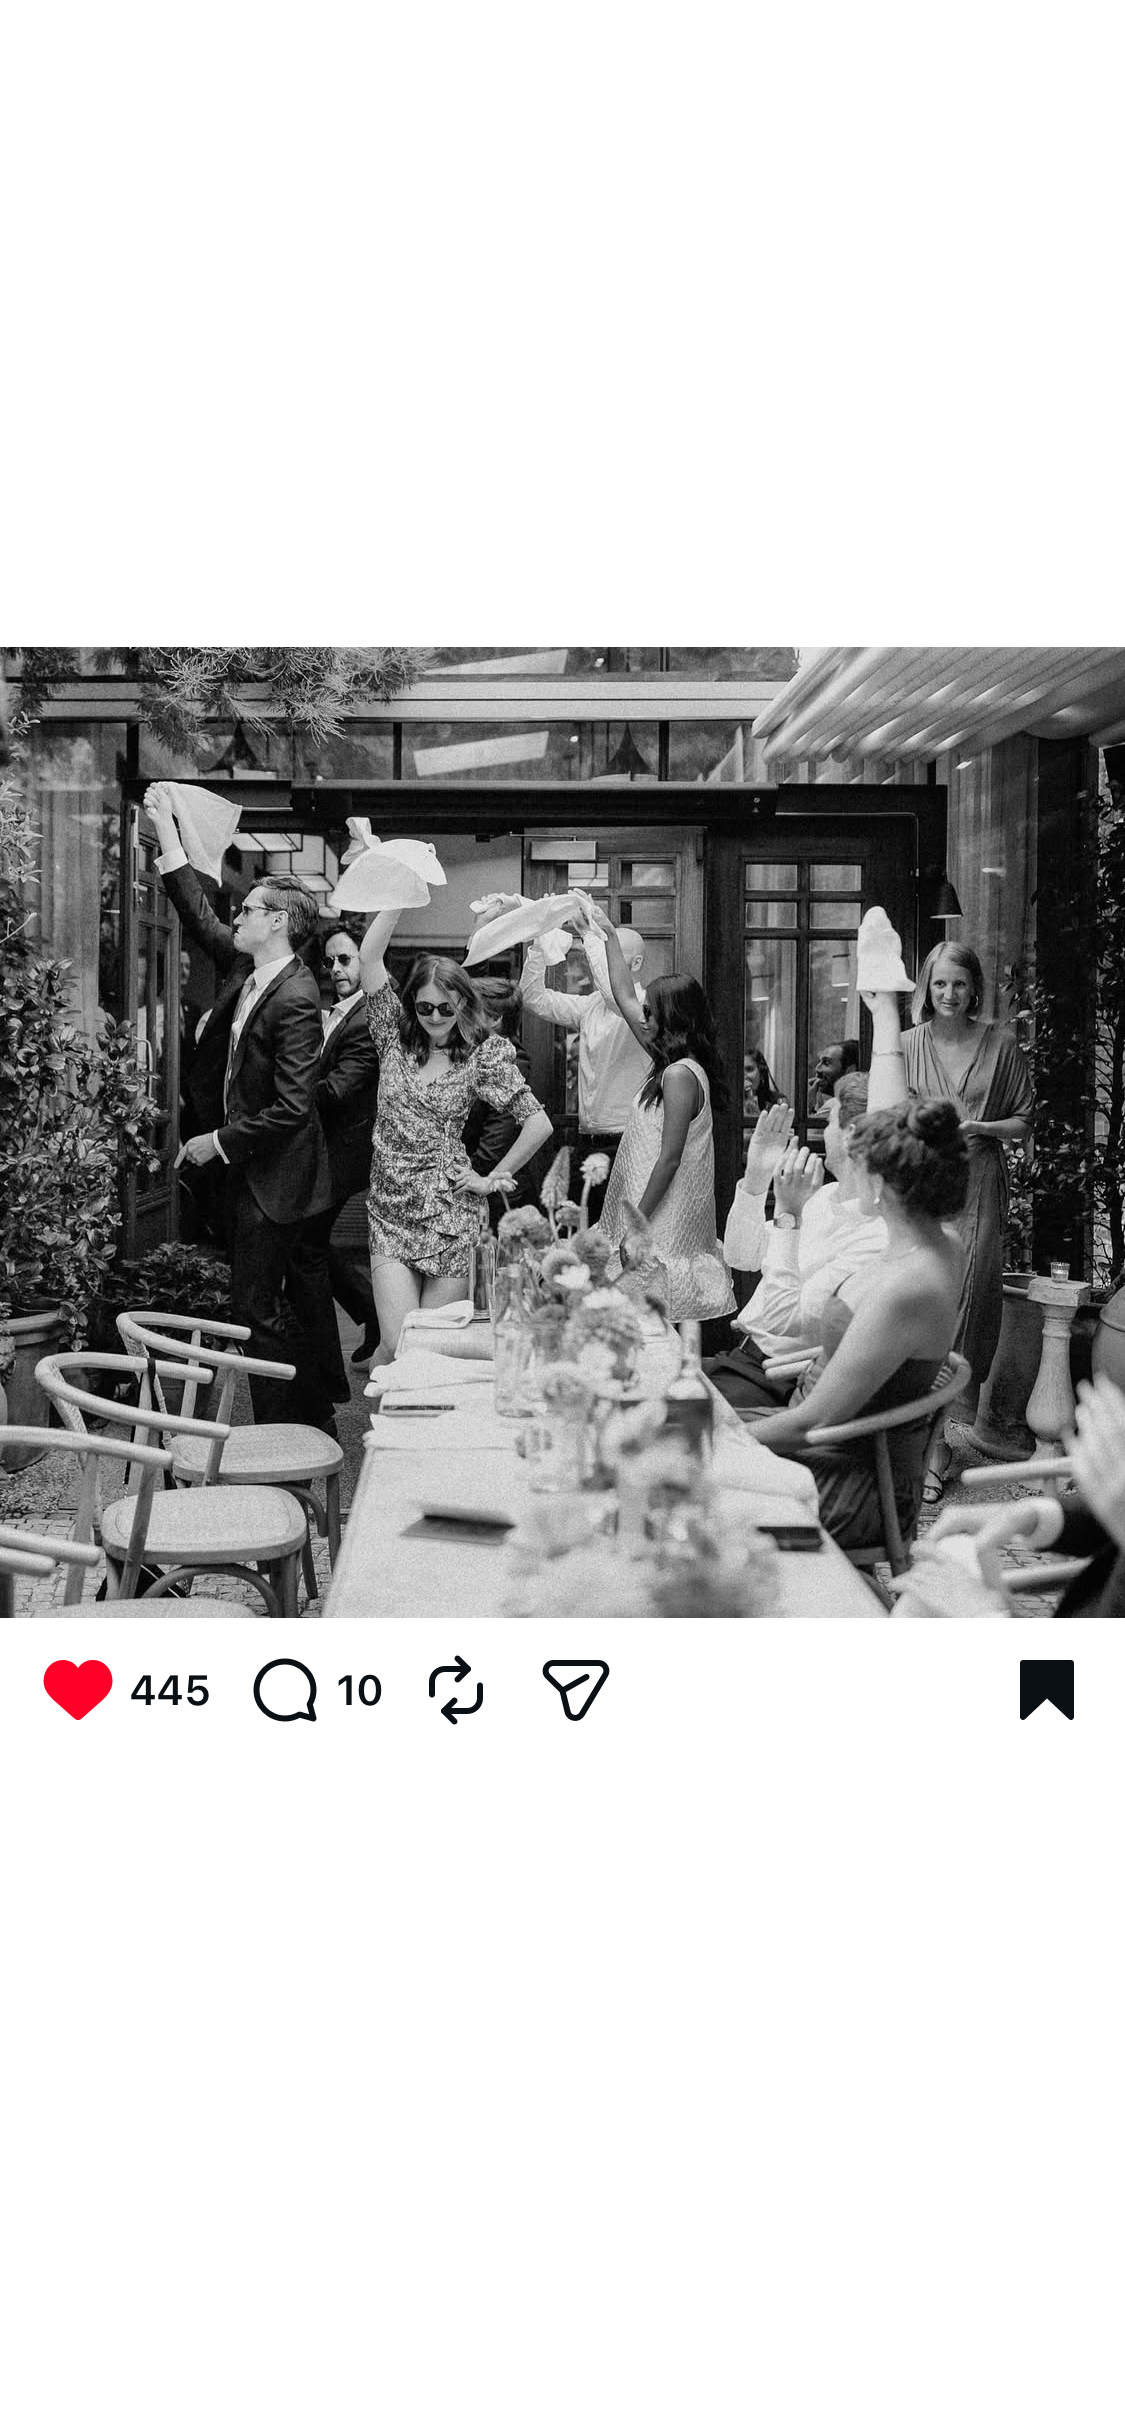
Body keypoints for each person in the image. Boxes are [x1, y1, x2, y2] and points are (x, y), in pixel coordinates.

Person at [743, 1099, 968, 1549]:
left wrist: (720, 1439)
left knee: (665, 1470)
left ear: (880, 1183)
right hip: (822, 1434)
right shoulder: (942, 1243)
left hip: (842, 1476)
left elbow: (813, 1421)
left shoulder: (906, 1288)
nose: (848, 1171)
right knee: (675, 1418)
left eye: (857, 1163)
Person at [169, 868, 332, 1428]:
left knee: (255, 1310)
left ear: (278, 921)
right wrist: (168, 837)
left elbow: (293, 1107)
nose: (236, 918)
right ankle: (310, 1421)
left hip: (276, 1179)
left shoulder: (296, 994)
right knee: (266, 1307)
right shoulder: (252, 973)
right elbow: (201, 919)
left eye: (248, 910)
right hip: (256, 1171)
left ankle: (282, 1436)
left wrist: (217, 1142)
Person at [865, 940, 1034, 1482]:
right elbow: (887, 1117)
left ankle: (940, 1430)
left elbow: (1025, 1120)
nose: (949, 993)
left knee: (970, 1299)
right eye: (939, 983)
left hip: (979, 1181)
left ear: (974, 988)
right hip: (922, 1183)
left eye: (959, 984)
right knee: (923, 1293)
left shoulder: (1001, 1043)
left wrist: (981, 1126)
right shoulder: (905, 1044)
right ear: (925, 987)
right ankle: (924, 1439)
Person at [357, 909, 554, 1367]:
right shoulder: (391, 1038)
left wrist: (491, 1179)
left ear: (463, 1004)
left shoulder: (481, 1056)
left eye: (446, 1008)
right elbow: (369, 957)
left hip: (451, 1212)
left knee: (427, 1349)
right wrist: (403, 891)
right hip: (390, 1210)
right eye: (425, 1007)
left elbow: (538, 1123)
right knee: (396, 1341)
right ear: (411, 1003)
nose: (435, 1017)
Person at [578, 900, 734, 1325]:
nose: (642, 1018)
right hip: (646, 1204)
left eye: (651, 1013)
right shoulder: (670, 1061)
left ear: (673, 1018)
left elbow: (670, 1158)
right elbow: (624, 994)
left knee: (649, 1319)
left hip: (661, 1214)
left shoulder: (680, 1074)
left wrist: (638, 1224)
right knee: (636, 1319)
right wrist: (608, 935)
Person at [709, 1073, 888, 1406]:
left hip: (775, 1380)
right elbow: (740, 1257)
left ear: (850, 1135)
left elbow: (785, 1323)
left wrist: (789, 1215)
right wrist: (757, 1175)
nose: (824, 1128)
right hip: (740, 1359)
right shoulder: (823, 1196)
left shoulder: (875, 1234)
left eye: (830, 1120)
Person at [287, 921, 383, 1388]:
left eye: (345, 959)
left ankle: (332, 1361)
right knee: (309, 1247)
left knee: (306, 1248)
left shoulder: (366, 1018)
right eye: (329, 961)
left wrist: (283, 1095)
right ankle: (369, 1316)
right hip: (319, 1150)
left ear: (366, 959)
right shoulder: (334, 1012)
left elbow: (336, 1091)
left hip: (342, 1153)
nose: (336, 969)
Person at [519, 920, 651, 1220]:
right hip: (586, 1141)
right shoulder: (591, 1005)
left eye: (611, 953)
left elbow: (616, 997)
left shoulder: (645, 1005)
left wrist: (591, 936)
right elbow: (532, 998)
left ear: (636, 963)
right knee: (580, 1231)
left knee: (625, 1230)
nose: (599, 962)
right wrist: (540, 945)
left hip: (630, 1142)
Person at [462, 975, 541, 1230]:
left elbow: (497, 1140)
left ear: (494, 1019)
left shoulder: (512, 1060)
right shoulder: (473, 1053)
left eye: (469, 1009)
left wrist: (465, 1178)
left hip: (500, 1196)